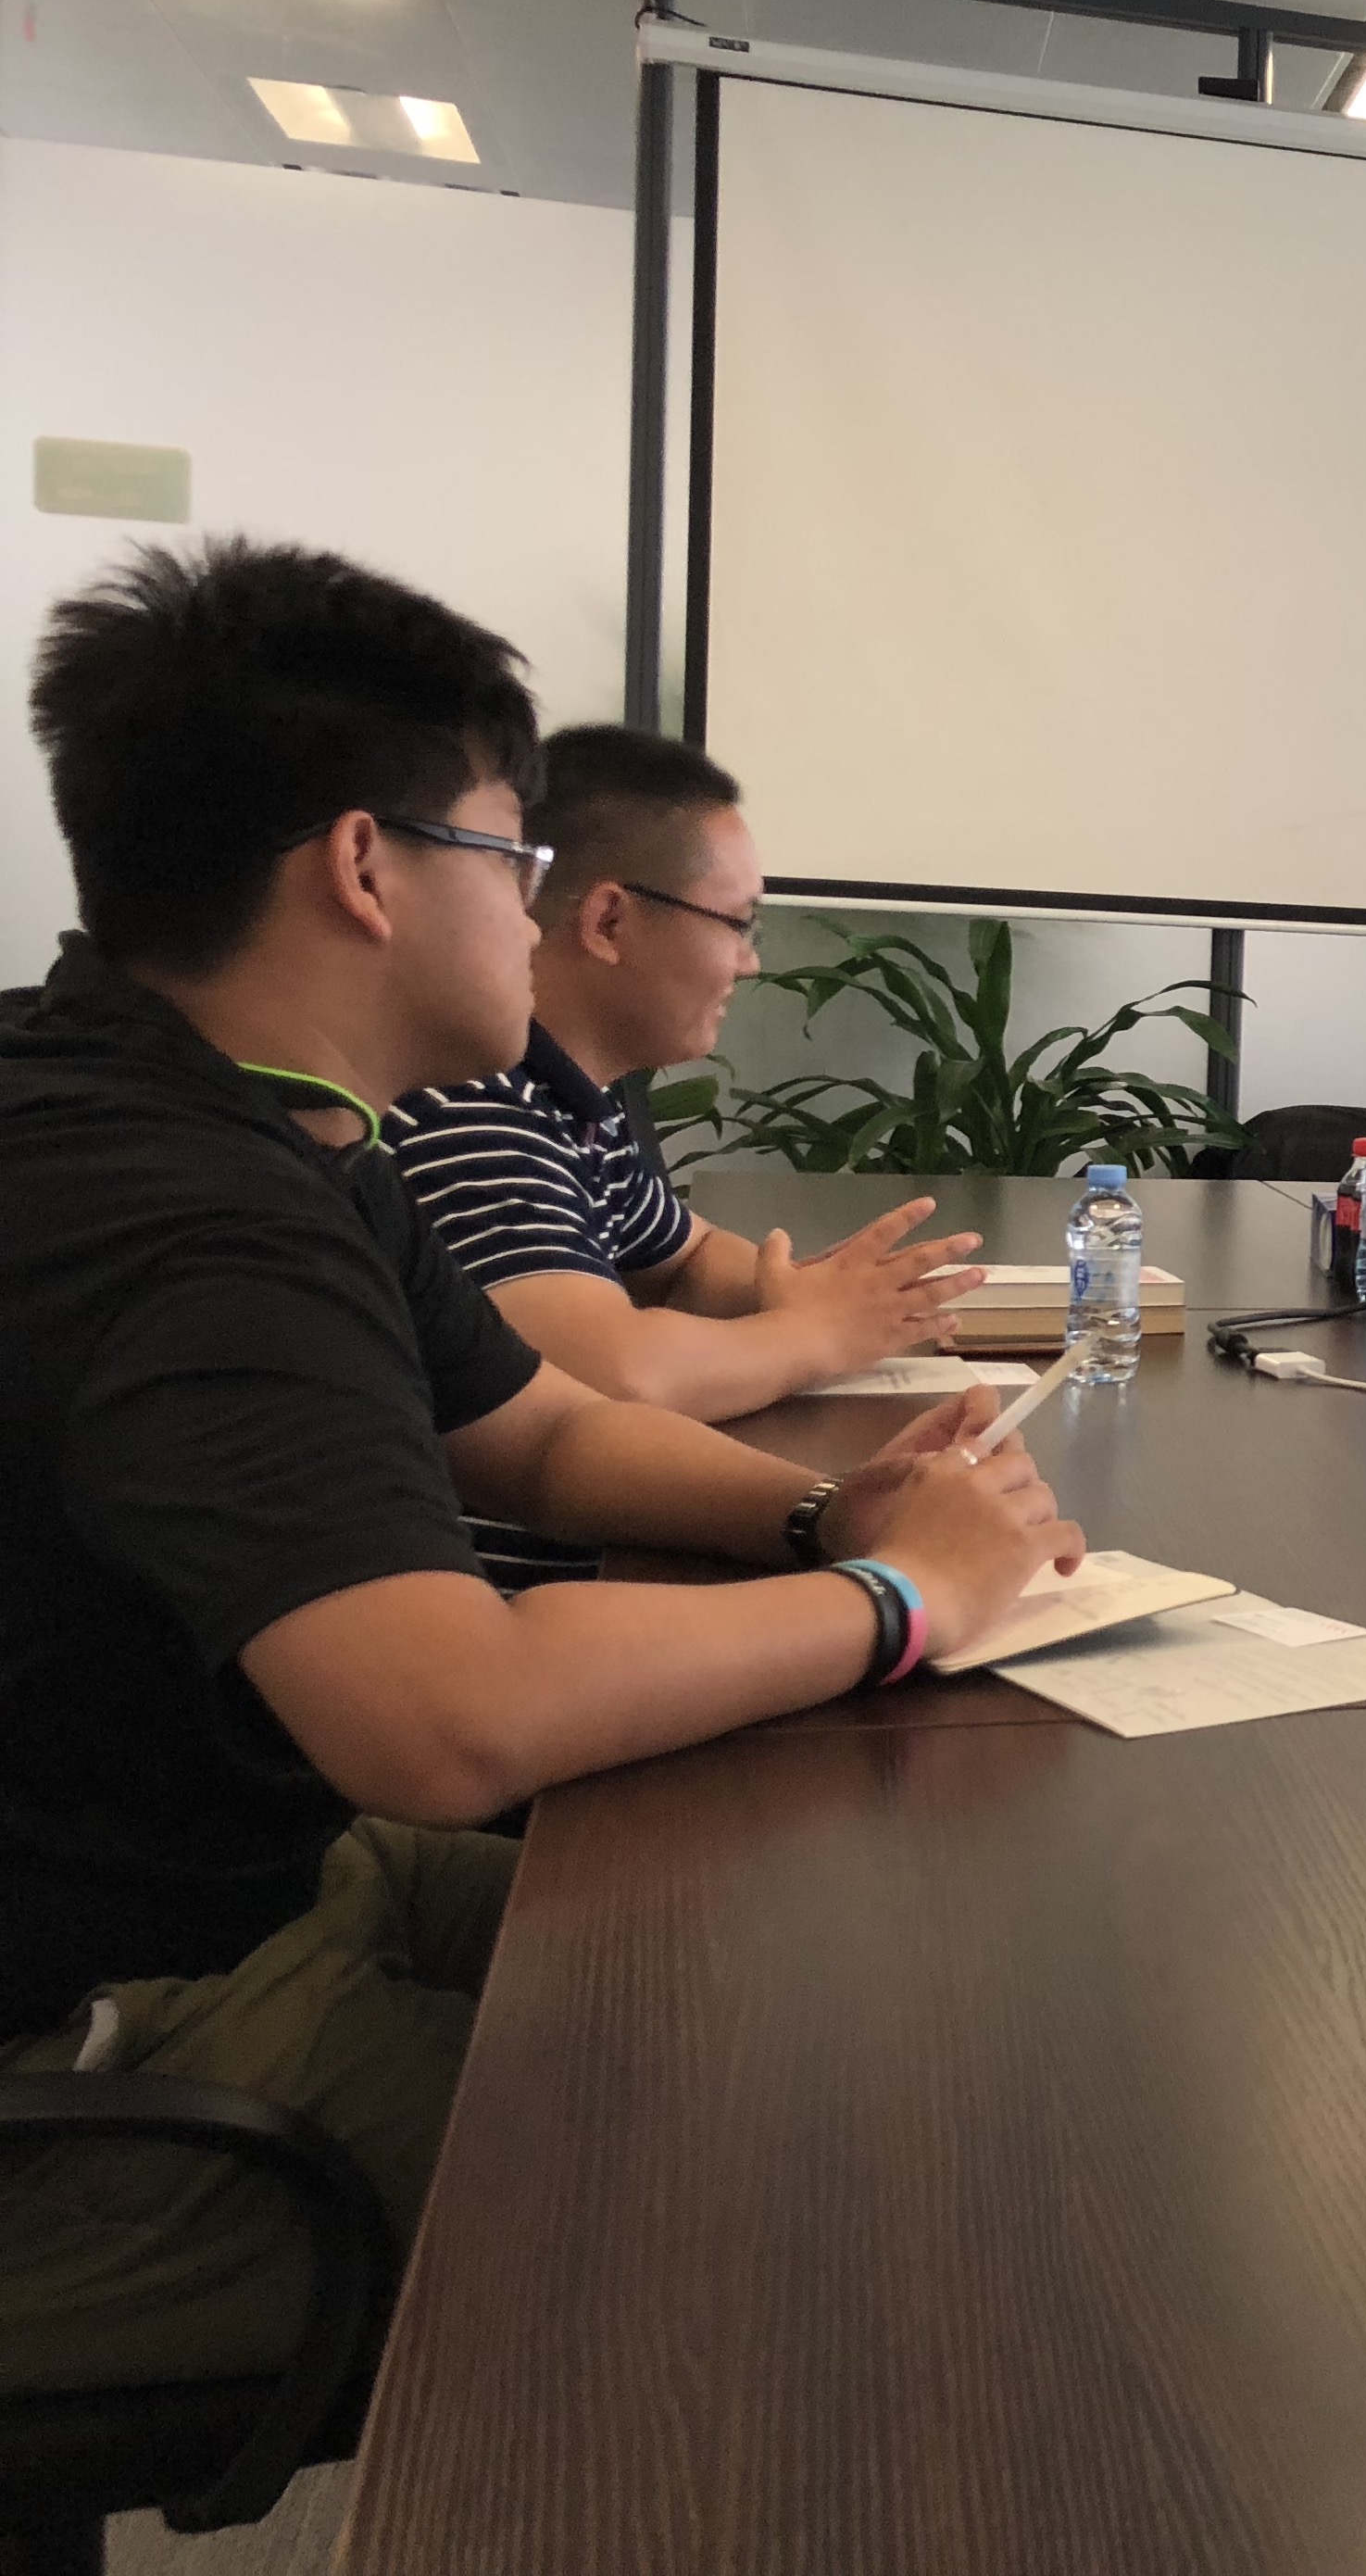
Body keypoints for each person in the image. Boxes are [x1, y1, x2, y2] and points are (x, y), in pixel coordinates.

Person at [0, 540, 1083, 2395]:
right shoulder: (182, 1217)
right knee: (824, 2233)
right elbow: (450, 1722)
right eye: (512, 859)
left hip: (238, 1870)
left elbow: (543, 1431)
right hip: (80, 2044)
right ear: (365, 868)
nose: (534, 912)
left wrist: (827, 1508)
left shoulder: (272, 1121)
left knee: (799, 1989)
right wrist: (902, 1598)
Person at [387, 725, 982, 1584]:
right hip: (520, 1596)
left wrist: (835, 1296)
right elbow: (608, 1376)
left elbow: (686, 1258)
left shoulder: (567, 1098)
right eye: (737, 924)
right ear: (609, 921)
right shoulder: (469, 1108)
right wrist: (812, 1335)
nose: (750, 963)